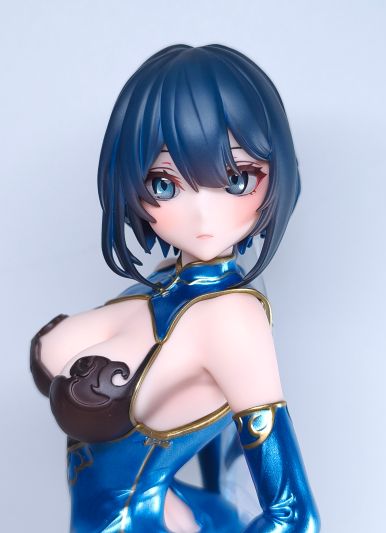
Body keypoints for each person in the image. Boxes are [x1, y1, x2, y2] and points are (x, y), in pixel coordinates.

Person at [30, 44, 320, 532]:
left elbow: (294, 515)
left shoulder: (231, 319)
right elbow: (216, 441)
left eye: (236, 179)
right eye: (164, 184)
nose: (202, 216)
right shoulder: (166, 280)